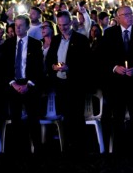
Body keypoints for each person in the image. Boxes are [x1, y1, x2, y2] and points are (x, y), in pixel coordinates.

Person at [99, 5, 133, 158]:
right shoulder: (109, 33)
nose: (129, 16)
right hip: (116, 84)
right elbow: (102, 57)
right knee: (118, 118)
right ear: (118, 18)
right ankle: (119, 150)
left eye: (130, 13)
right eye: (125, 14)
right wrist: (114, 68)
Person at [45, 10, 92, 156]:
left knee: (77, 117)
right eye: (59, 25)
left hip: (75, 84)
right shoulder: (56, 39)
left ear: (71, 23)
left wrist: (69, 68)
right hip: (60, 84)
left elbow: (87, 64)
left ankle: (81, 149)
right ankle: (68, 147)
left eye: (65, 25)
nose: (62, 28)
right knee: (65, 116)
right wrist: (53, 67)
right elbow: (49, 60)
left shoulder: (81, 40)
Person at [0, 14, 44, 155]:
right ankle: (19, 151)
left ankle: (37, 149)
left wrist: (29, 84)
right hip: (14, 86)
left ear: (27, 27)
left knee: (33, 120)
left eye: (20, 25)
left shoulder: (36, 44)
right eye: (16, 25)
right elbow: (5, 67)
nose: (17, 28)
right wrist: (13, 84)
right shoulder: (8, 44)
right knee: (16, 120)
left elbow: (38, 68)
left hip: (29, 85)